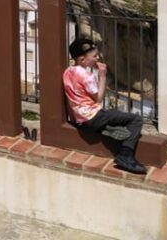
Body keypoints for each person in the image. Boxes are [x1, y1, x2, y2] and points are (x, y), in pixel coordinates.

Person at [63, 37, 147, 174]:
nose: (97, 58)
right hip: (94, 117)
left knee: (113, 114)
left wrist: (75, 120)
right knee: (136, 119)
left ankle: (110, 128)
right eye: (94, 56)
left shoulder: (67, 72)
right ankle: (125, 155)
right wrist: (102, 76)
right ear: (82, 60)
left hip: (81, 120)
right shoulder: (87, 76)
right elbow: (98, 99)